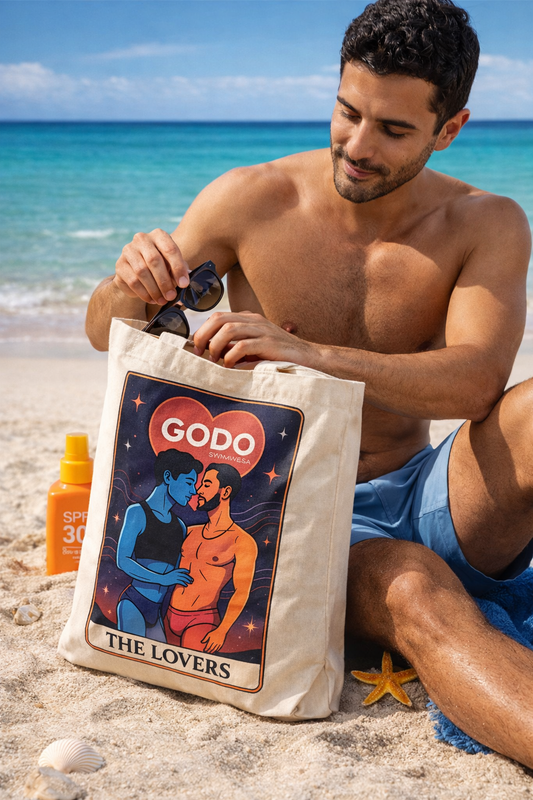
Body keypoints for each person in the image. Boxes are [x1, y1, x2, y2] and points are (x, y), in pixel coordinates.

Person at [85, 0, 533, 766]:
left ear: (448, 128)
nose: (356, 146)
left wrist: (311, 357)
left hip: (426, 491)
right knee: (413, 587)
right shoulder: (252, 199)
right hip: (291, 517)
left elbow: (473, 385)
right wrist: (130, 283)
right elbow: (108, 330)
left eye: (392, 129)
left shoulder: (483, 222)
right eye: (347, 112)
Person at [165, 464, 258, 654]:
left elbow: (241, 591)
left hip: (201, 620)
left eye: (206, 484)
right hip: (169, 615)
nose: (198, 490)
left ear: (225, 492)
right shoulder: (189, 532)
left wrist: (222, 631)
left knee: (189, 670)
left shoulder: (241, 541)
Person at [116, 449, 202, 640]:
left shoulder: (180, 526)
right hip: (134, 603)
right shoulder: (137, 512)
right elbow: (123, 560)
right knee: (130, 654)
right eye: (189, 482)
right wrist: (162, 579)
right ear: (168, 477)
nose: (193, 491)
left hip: (157, 610)